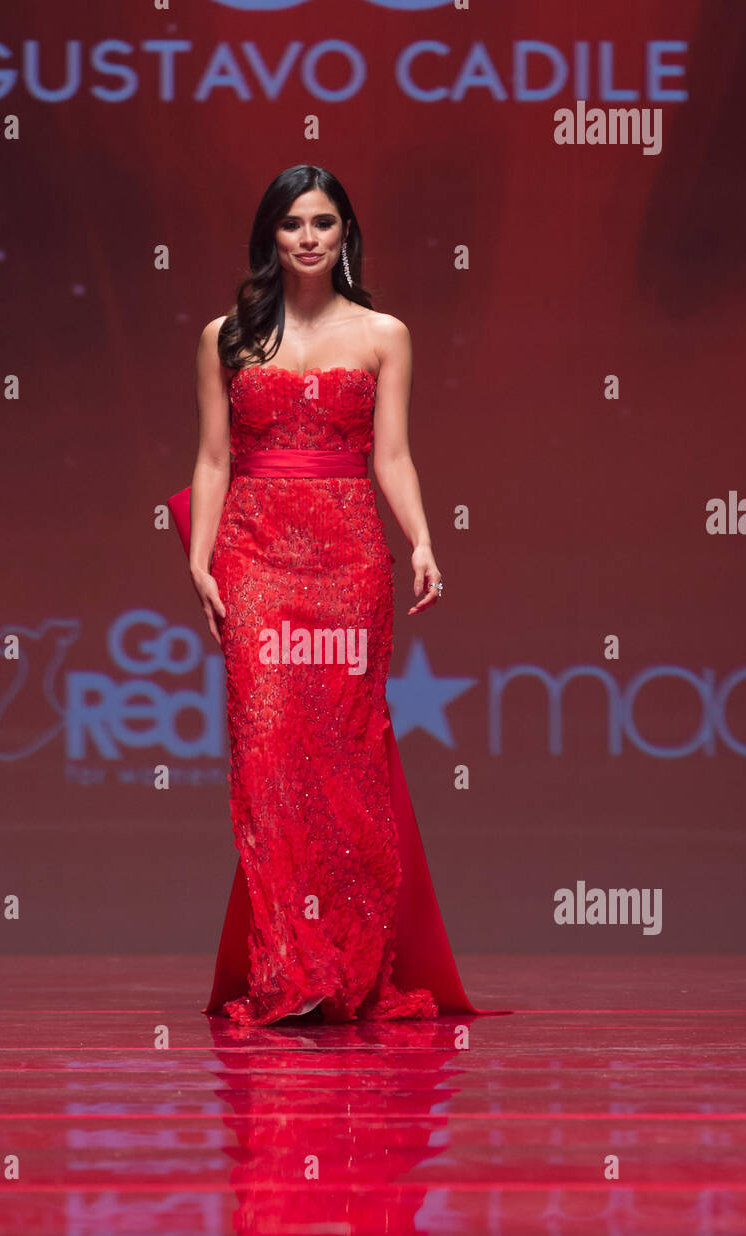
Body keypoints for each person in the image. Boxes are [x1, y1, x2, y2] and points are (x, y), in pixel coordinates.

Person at [181, 164, 477, 1026]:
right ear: (268, 235)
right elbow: (211, 459)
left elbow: (391, 454)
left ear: (346, 232)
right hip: (253, 558)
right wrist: (198, 564)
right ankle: (288, 971)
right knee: (268, 760)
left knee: (344, 764)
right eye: (289, 223)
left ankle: (345, 967)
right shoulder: (224, 336)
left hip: (348, 561)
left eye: (322, 222)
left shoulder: (385, 334)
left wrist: (421, 537)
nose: (306, 237)